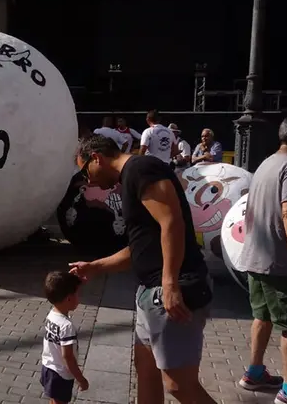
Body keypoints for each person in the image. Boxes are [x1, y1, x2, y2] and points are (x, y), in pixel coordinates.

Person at [69, 134, 215, 404]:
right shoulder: (130, 178)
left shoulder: (141, 169)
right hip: (151, 293)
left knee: (179, 385)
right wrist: (95, 267)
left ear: (96, 158)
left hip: (174, 289)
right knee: (145, 372)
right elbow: (140, 248)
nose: (87, 181)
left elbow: (171, 222)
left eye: (84, 171)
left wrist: (170, 284)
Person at [235, 114, 287, 404]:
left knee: (262, 316)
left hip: (256, 258)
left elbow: (271, 209)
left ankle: (254, 373)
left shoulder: (267, 164)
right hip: (281, 263)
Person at [41, 271, 88, 403]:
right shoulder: (66, 326)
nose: (79, 297)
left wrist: (74, 281)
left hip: (48, 368)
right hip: (61, 375)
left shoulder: (51, 315)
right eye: (77, 294)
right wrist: (80, 379)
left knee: (54, 400)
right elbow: (68, 357)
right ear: (68, 299)